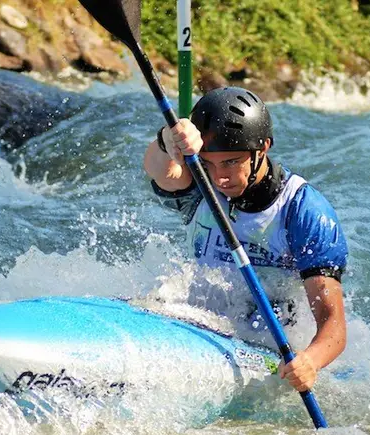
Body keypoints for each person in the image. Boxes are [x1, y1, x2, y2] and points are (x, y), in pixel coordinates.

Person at [143, 87, 348, 393]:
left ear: (263, 148)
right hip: (193, 323)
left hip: (263, 343)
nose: (219, 178)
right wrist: (167, 140)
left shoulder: (303, 211)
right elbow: (163, 171)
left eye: (231, 163)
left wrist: (309, 361)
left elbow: (334, 324)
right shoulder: (201, 181)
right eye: (209, 164)